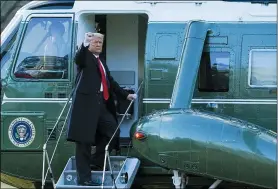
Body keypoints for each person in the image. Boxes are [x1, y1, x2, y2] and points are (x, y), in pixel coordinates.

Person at [66, 32, 137, 186]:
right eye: (95, 42)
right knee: (83, 143)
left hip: (101, 105)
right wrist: (84, 44)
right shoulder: (85, 58)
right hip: (85, 106)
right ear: (89, 44)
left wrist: (126, 95)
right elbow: (78, 58)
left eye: (100, 43)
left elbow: (110, 81)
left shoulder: (101, 61)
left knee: (113, 132)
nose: (98, 45)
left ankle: (96, 161)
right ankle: (84, 179)